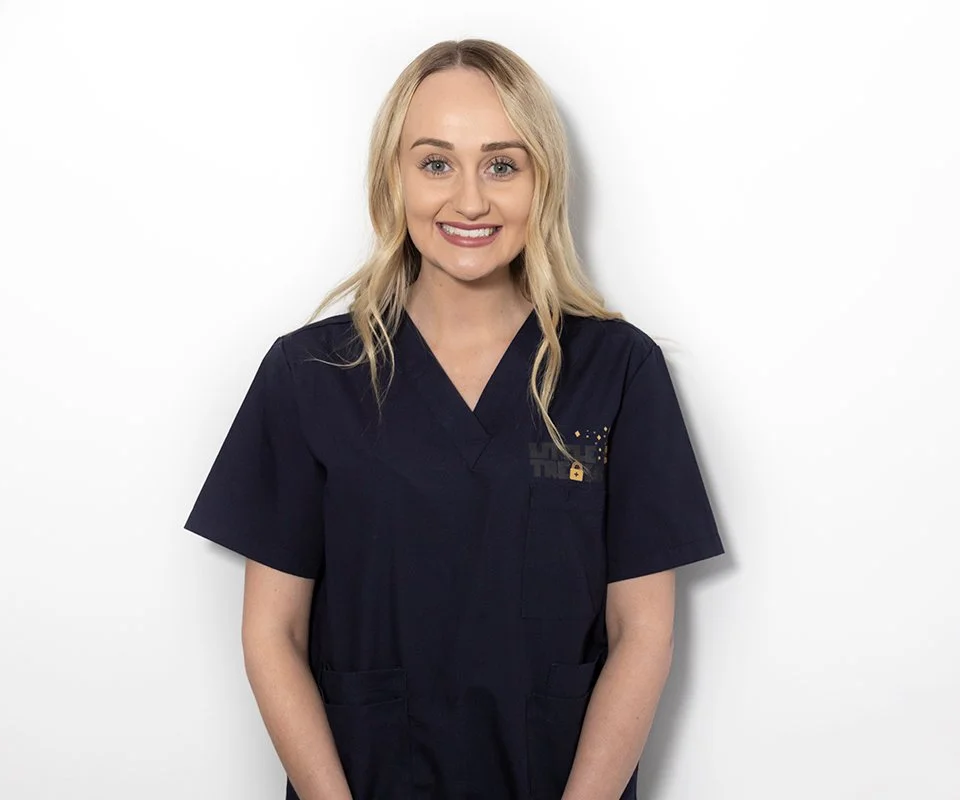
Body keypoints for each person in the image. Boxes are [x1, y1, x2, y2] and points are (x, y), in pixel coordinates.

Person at [183, 38, 725, 800]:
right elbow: (273, 635)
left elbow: (644, 634)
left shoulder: (619, 372)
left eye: (502, 165)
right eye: (436, 163)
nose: (469, 201)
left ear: (542, 181)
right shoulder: (309, 376)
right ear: (393, 179)